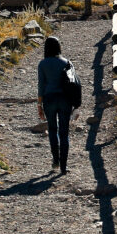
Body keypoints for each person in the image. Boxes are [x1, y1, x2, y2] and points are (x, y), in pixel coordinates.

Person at [37, 36, 74, 174]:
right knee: (64, 132)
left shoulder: (43, 64)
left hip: (49, 99)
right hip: (65, 99)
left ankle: (55, 160)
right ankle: (64, 166)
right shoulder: (66, 62)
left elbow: (41, 86)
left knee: (53, 129)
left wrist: (39, 105)